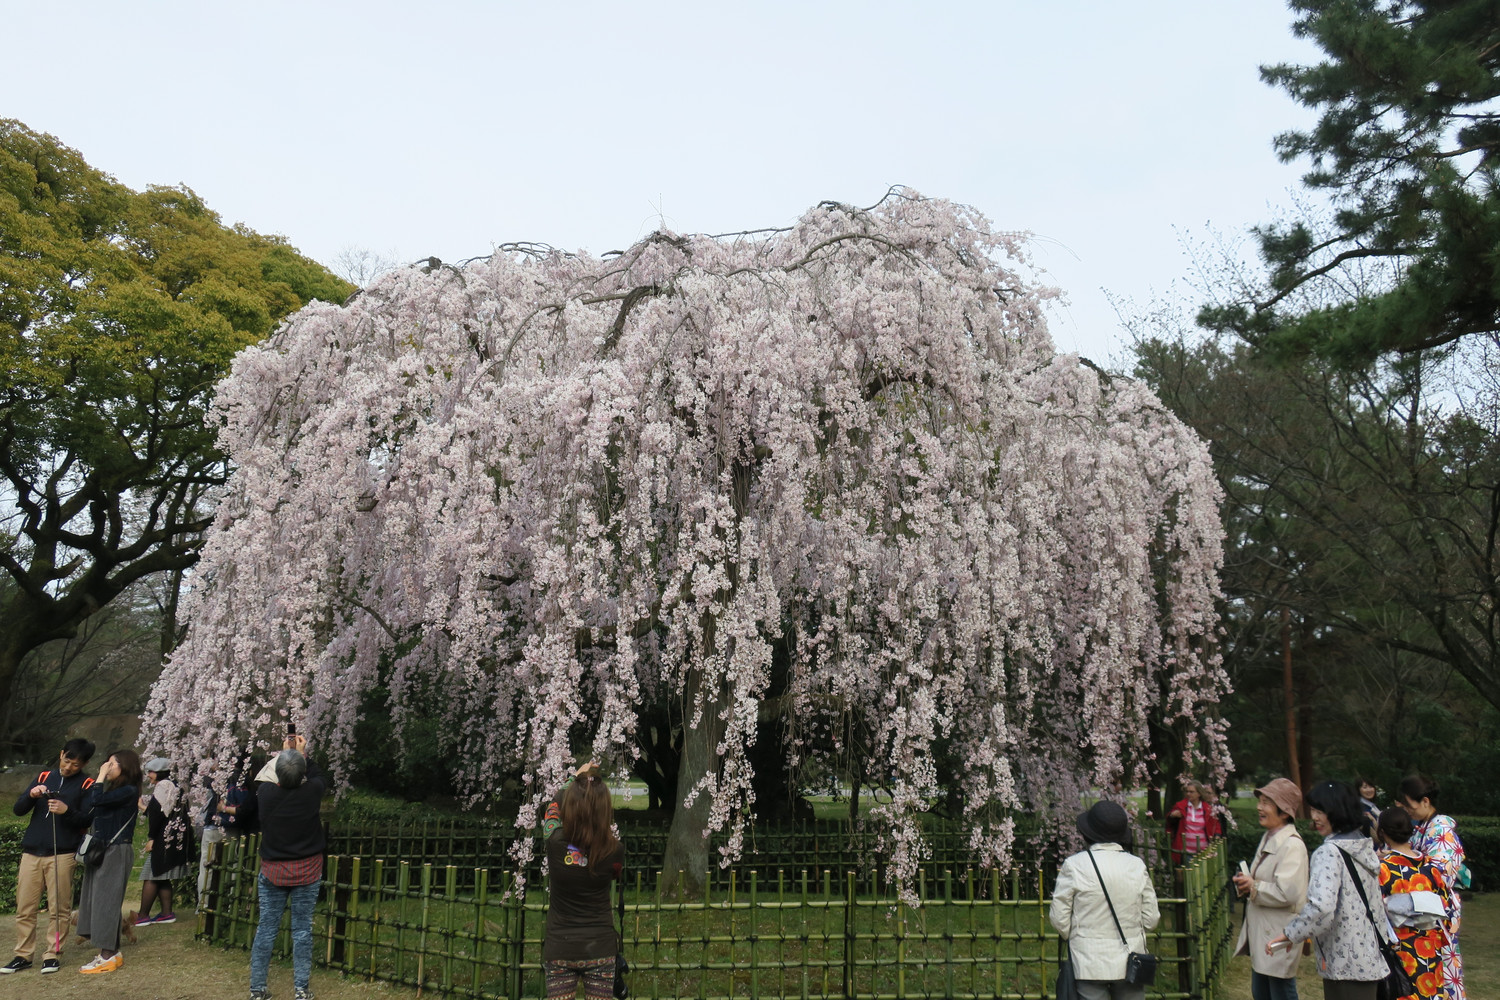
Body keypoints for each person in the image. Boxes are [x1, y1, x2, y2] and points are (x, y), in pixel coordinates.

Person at [1268, 781, 1391, 999]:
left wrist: (1290, 933)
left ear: (1337, 811)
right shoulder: (1362, 847)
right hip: (1370, 959)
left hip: (1345, 965)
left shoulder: (1329, 853)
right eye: (1313, 810)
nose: (1314, 817)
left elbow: (1321, 908)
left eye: (1321, 811)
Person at [1, 738, 96, 975]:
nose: (68, 767)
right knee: (25, 907)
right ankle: (23, 955)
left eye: (75, 764)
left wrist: (67, 811)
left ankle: (53, 954)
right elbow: (18, 809)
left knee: (59, 908)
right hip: (32, 851)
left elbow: (87, 818)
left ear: (84, 764)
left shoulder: (87, 784)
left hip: (62, 853)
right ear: (61, 754)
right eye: (67, 760)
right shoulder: (44, 776)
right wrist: (32, 795)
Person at [1049, 800, 1161, 1000]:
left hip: (1088, 960)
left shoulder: (1074, 865)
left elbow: (1059, 918)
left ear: (1088, 833)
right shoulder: (1136, 865)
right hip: (1130, 960)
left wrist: (1079, 936)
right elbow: (1151, 919)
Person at [250, 735, 327, 1000]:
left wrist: (283, 756)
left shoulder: (265, 794)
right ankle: (301, 989)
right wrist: (302, 755)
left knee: (266, 928)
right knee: (302, 930)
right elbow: (318, 776)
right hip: (307, 869)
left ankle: (257, 989)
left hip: (273, 870)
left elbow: (268, 775)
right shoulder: (312, 792)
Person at [542, 762, 626, 1000]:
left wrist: (574, 779)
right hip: (600, 946)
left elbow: (552, 809)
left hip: (560, 946)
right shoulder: (615, 851)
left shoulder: (554, 842)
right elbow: (614, 874)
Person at [1232, 777, 1308, 1000]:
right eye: (1260, 801)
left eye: (1266, 803)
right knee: (1262, 993)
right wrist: (1246, 883)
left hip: (1278, 934)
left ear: (1284, 812)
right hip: (1264, 933)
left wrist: (1254, 886)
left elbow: (1288, 893)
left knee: (1281, 993)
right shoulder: (1269, 837)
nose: (1259, 807)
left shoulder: (1292, 845)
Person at [76, 749, 144, 975]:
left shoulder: (128, 790)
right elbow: (93, 807)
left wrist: (100, 776)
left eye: (112, 763)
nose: (107, 766)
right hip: (104, 850)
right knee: (99, 900)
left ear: (125, 766)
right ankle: (110, 953)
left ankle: (108, 955)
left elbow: (96, 799)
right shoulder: (116, 790)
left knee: (106, 902)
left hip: (116, 851)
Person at [1397, 775, 1465, 1000]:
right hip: (1426, 911)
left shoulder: (1441, 830)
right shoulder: (1423, 827)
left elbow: (1439, 873)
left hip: (1438, 913)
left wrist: (1402, 867)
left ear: (1425, 801)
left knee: (1442, 973)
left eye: (1409, 805)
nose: (1407, 810)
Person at [1375, 806, 1451, 1000]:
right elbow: (1446, 910)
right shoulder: (1430, 868)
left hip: (1400, 949)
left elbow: (1375, 913)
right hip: (1430, 947)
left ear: (1382, 833)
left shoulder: (1383, 869)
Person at [136, 757, 193, 925]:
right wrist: (143, 808)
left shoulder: (163, 786)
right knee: (162, 874)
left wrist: (151, 838)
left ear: (159, 773)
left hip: (164, 838)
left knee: (152, 874)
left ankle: (143, 915)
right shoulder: (175, 786)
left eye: (151, 772)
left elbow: (157, 815)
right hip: (175, 837)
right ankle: (167, 913)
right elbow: (165, 812)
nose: (149, 776)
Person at [198, 755, 261, 909]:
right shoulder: (245, 781)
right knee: (233, 866)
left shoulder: (217, 779)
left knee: (207, 867)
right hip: (234, 828)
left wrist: (223, 809)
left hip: (215, 826)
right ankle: (231, 904)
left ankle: (204, 904)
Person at [1167, 780, 1222, 864]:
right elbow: (1170, 823)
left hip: (1204, 851)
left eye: (1191, 792)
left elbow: (1215, 824)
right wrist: (1172, 815)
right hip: (1186, 851)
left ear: (1199, 793)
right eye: (1187, 791)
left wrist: (1217, 835)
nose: (1188, 794)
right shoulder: (1181, 806)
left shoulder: (1208, 809)